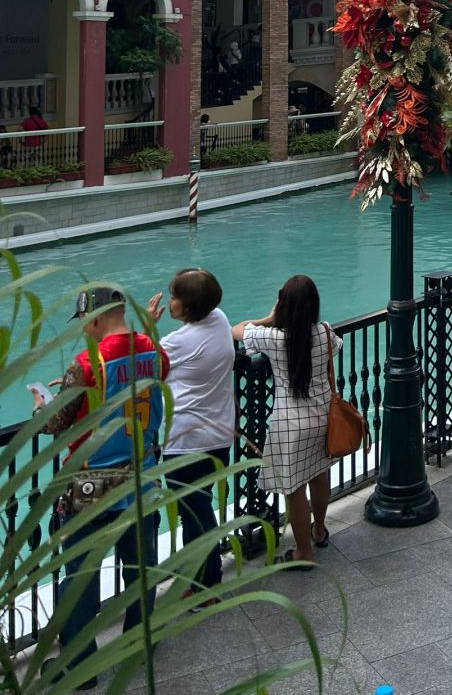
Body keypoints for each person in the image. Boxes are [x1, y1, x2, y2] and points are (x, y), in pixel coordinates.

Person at [33, 287, 167, 687]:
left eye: (85, 326)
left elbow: (55, 424)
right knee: (140, 568)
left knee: (80, 579)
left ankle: (79, 666)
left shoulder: (85, 364)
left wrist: (44, 404)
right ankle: (139, 642)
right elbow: (152, 372)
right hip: (142, 477)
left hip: (91, 488)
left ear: (94, 319)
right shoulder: (155, 353)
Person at [232, 275, 340, 565]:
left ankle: (303, 551)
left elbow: (236, 330)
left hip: (289, 425)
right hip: (322, 418)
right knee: (319, 476)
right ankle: (319, 530)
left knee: (294, 490)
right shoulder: (325, 332)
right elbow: (337, 347)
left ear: (285, 306)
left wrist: (269, 318)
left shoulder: (274, 338)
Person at [148, 268, 236, 600]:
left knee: (194, 512)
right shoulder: (220, 319)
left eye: (174, 297)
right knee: (198, 507)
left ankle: (206, 584)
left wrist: (147, 329)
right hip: (219, 436)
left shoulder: (178, 342)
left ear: (187, 307)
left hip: (186, 441)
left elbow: (143, 366)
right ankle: (200, 577)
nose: (169, 302)